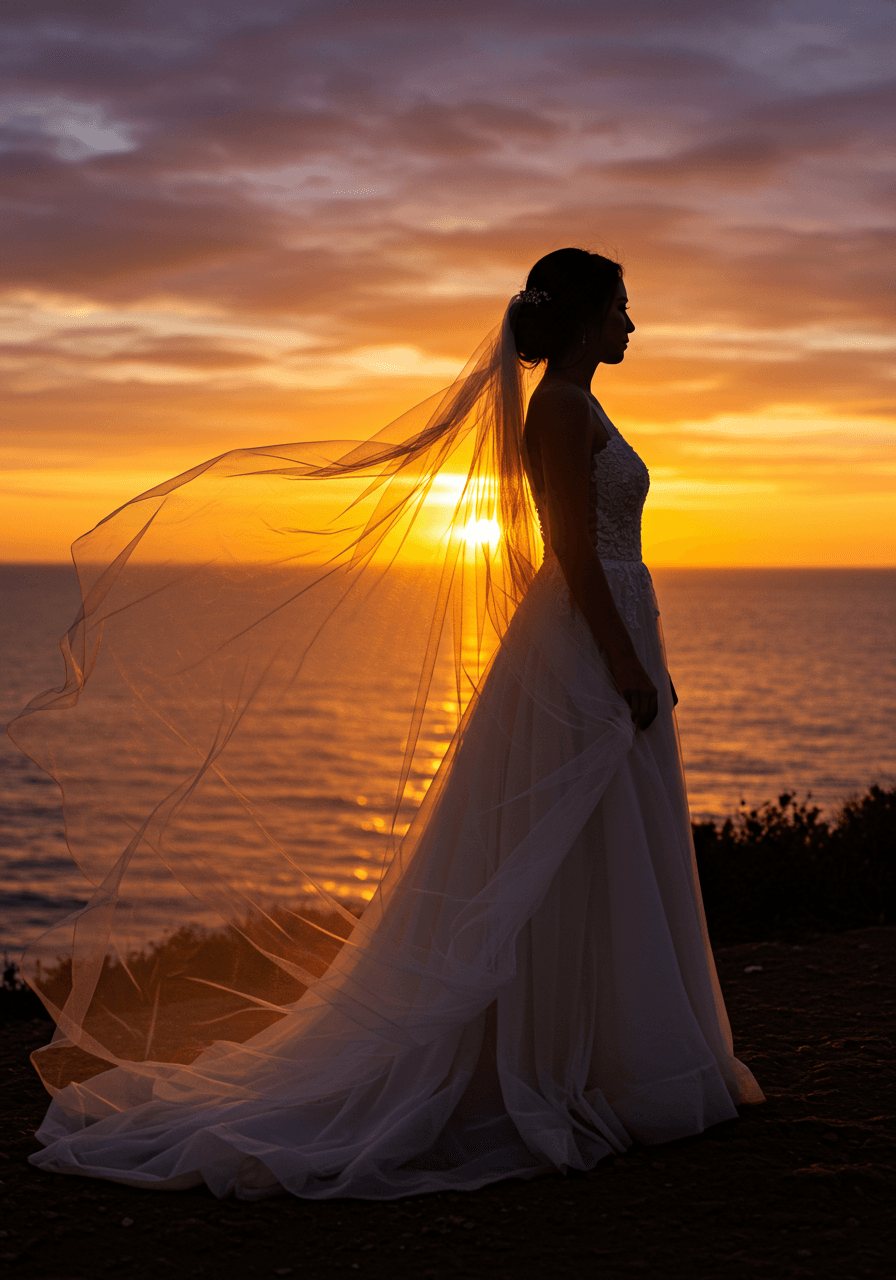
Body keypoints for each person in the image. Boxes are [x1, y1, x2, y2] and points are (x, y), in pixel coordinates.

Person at [12, 247, 763, 1199]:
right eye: (620, 305)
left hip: (608, 626)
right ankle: (579, 1067)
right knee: (572, 842)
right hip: (588, 637)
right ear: (581, 317)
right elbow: (569, 544)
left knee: (602, 844)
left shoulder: (580, 404)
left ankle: (616, 1055)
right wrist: (620, 662)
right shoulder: (565, 409)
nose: (631, 323)